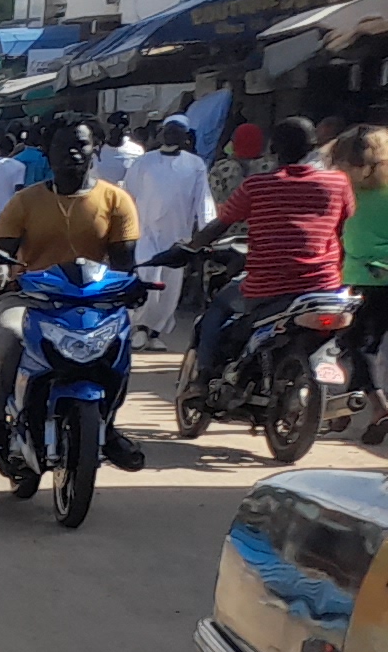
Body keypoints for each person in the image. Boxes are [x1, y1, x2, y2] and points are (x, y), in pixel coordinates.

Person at [0, 115, 142, 462]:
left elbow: (124, 262)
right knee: (7, 337)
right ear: (47, 153)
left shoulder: (117, 200)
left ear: (95, 148)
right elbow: (1, 253)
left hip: (93, 302)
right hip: (29, 297)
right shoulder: (25, 202)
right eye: (63, 145)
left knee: (120, 346)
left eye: (81, 144)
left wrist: (132, 286)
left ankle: (106, 426)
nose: (73, 152)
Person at [204, 114, 357, 396]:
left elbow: (219, 224)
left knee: (219, 307)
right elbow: (345, 225)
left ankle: (203, 379)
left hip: (267, 286)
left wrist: (187, 248)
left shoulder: (257, 185)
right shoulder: (338, 183)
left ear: (273, 148)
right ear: (313, 146)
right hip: (323, 287)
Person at [113, 114, 216, 354]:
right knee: (147, 276)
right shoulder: (144, 162)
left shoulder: (195, 165)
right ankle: (139, 328)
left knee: (170, 285)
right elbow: (129, 195)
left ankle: (156, 332)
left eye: (178, 131)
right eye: (168, 130)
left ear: (185, 136)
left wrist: (206, 231)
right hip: (145, 232)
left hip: (177, 234)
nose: (172, 135)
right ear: (162, 133)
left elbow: (203, 200)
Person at [328, 123, 388, 428]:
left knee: (355, 344)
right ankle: (343, 412)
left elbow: (343, 236)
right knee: (365, 346)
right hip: (373, 275)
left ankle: (379, 405)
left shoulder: (345, 191)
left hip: (362, 276)